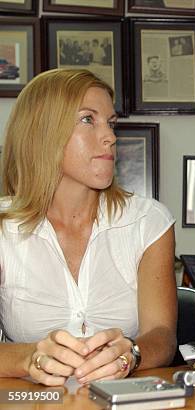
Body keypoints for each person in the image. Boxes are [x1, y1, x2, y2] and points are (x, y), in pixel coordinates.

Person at [0, 69, 177, 385]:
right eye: (88, 120)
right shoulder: (3, 228)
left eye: (111, 123)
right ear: (42, 131)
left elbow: (162, 336)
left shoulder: (148, 222)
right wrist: (28, 358)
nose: (110, 136)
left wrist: (133, 353)